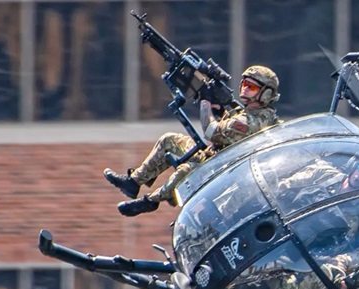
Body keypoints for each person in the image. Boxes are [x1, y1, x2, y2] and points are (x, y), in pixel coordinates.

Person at [104, 65, 283, 217]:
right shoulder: (250, 114)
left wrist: (206, 101)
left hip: (223, 170)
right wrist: (219, 109)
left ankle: (151, 200)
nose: (244, 89)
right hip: (214, 157)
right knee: (169, 140)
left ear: (266, 94)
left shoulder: (250, 121)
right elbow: (227, 130)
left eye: (252, 87)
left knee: (186, 171)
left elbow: (211, 132)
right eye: (244, 84)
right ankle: (133, 182)